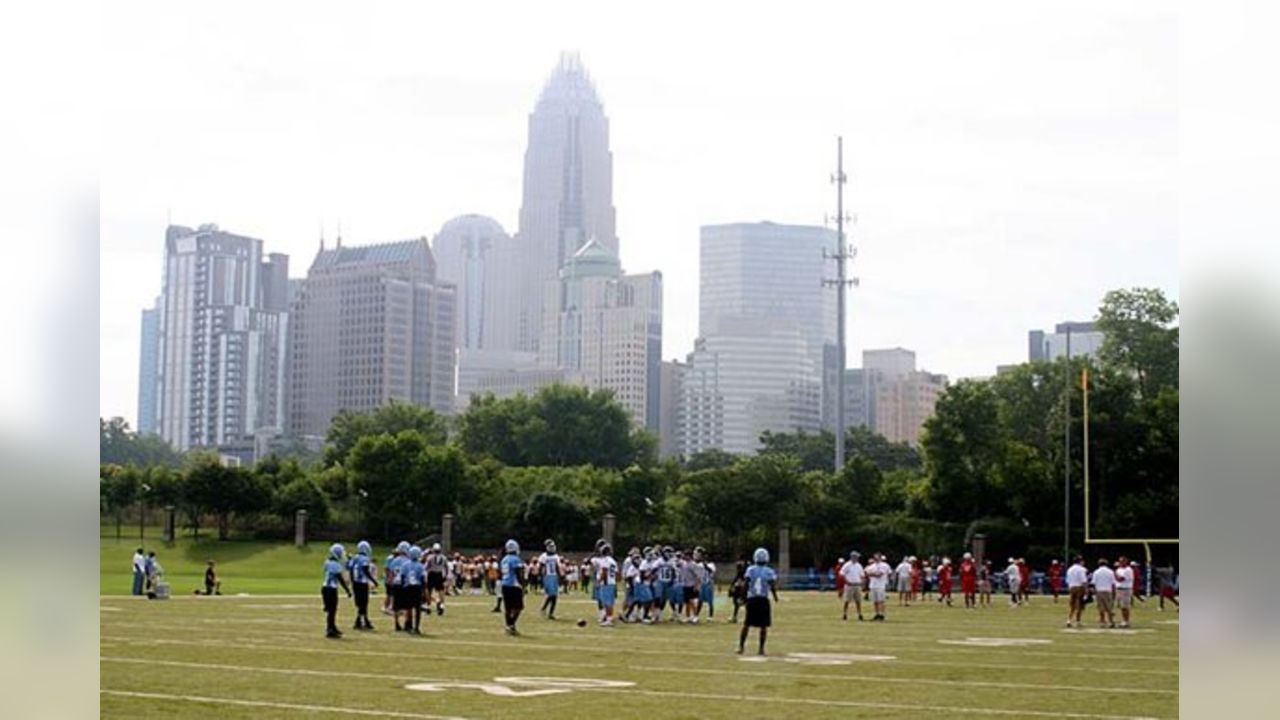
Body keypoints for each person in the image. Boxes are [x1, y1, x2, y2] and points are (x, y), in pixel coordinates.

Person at [737, 547, 779, 656]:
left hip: (752, 599)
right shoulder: (769, 571)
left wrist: (742, 597)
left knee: (746, 624)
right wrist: (775, 596)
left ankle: (741, 647)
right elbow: (772, 585)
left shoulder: (750, 569)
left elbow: (745, 584)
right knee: (763, 626)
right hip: (763, 599)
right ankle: (761, 649)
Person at [322, 543, 352, 639]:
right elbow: (340, 579)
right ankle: (330, 629)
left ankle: (332, 627)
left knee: (331, 610)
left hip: (325, 588)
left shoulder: (327, 562)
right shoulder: (336, 565)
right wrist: (347, 590)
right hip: (331, 589)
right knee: (332, 610)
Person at [348, 541, 378, 630]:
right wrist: (373, 580)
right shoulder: (365, 559)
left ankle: (365, 620)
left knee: (360, 603)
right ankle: (359, 621)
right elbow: (365, 570)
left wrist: (352, 581)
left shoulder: (354, 558)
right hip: (362, 583)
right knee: (363, 603)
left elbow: (350, 570)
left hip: (356, 583)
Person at [499, 539, 526, 635]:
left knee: (508, 608)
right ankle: (511, 624)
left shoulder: (504, 559)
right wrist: (523, 585)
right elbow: (518, 573)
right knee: (518, 607)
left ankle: (509, 626)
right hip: (513, 585)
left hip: (505, 584)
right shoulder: (515, 559)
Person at [401, 546, 426, 634]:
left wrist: (402, 586)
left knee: (409, 607)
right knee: (417, 608)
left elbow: (402, 577)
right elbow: (423, 579)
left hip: (407, 587)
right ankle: (416, 627)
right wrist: (424, 591)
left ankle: (409, 625)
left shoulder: (405, 565)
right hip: (417, 588)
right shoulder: (420, 566)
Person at [538, 539, 563, 620]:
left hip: (554, 576)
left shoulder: (556, 556)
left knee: (554, 596)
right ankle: (545, 609)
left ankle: (549, 612)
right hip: (547, 577)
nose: (552, 548)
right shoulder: (543, 556)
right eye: (550, 546)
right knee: (551, 595)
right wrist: (540, 577)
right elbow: (541, 567)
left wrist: (560, 577)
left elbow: (557, 567)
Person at [596, 543, 619, 627]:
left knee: (607, 602)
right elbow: (617, 574)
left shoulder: (605, 560)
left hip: (607, 583)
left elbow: (604, 572)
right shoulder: (613, 561)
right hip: (612, 582)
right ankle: (608, 617)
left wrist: (600, 582)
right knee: (609, 602)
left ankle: (609, 619)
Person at [681, 548, 706, 623]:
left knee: (691, 601)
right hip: (685, 584)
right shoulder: (684, 564)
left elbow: (698, 576)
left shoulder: (693, 564)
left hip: (691, 585)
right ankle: (688, 616)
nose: (685, 556)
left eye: (686, 555)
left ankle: (695, 616)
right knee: (687, 602)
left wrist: (696, 585)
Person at [424, 543, 449, 616]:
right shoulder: (444, 558)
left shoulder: (430, 557)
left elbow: (426, 567)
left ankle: (428, 606)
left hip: (431, 574)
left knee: (429, 591)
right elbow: (446, 567)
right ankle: (441, 605)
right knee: (441, 591)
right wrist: (446, 576)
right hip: (439, 574)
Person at [840, 552, 865, 621]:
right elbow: (842, 574)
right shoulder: (847, 565)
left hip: (857, 585)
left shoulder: (859, 565)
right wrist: (846, 581)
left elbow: (862, 575)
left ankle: (859, 614)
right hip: (849, 585)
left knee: (858, 601)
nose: (857, 558)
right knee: (847, 601)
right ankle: (845, 614)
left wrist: (862, 583)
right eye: (856, 557)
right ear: (853, 557)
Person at [1092, 558, 1117, 628]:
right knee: (1109, 607)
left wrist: (1094, 592)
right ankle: (1111, 622)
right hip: (1108, 591)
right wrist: (1114, 592)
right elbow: (1113, 583)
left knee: (1101, 608)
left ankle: (1102, 622)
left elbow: (1093, 583)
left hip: (1099, 591)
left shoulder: (1096, 572)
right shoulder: (1110, 572)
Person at [1065, 555, 1088, 627]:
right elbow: (1084, 580)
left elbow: (1067, 580)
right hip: (1079, 587)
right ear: (1080, 561)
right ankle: (1078, 621)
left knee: (1072, 605)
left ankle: (1069, 620)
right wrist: (1086, 590)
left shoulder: (1070, 569)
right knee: (1080, 605)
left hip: (1071, 587)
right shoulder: (1082, 569)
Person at [866, 553, 891, 621]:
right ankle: (877, 614)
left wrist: (872, 574)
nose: (876, 559)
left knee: (881, 601)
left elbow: (880, 574)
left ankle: (882, 614)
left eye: (877, 557)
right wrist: (873, 574)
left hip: (880, 585)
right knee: (875, 601)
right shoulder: (872, 566)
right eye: (875, 558)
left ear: (880, 558)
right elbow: (867, 573)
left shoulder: (884, 565)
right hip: (873, 585)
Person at [1114, 556, 1135, 628]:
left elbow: (1121, 579)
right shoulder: (1119, 569)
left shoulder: (1128, 570)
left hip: (1125, 589)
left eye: (1122, 561)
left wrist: (1114, 574)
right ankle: (1124, 620)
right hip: (1119, 589)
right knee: (1121, 607)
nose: (1120, 563)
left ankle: (1126, 621)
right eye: (1120, 561)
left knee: (1125, 606)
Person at [700, 553, 717, 621]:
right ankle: (696, 615)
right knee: (700, 600)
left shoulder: (712, 565)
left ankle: (710, 616)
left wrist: (705, 565)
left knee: (710, 601)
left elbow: (710, 570)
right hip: (702, 584)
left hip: (709, 584)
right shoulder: (700, 564)